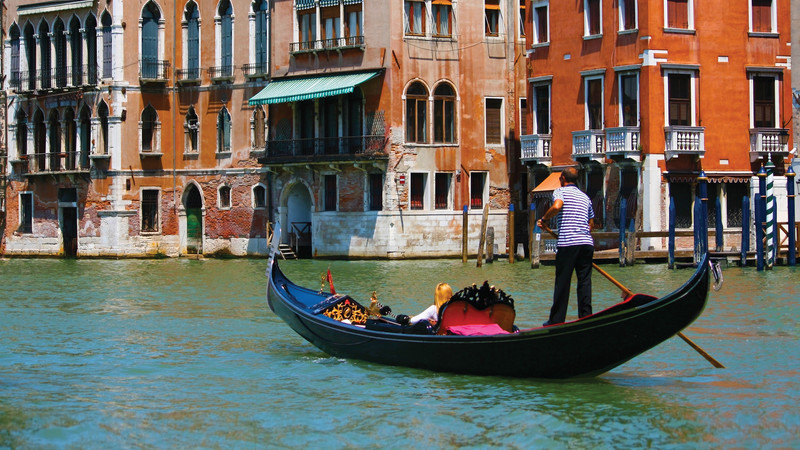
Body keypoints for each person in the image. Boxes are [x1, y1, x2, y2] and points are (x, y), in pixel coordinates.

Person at [536, 167, 595, 326]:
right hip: (586, 243)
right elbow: (591, 224)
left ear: (562, 178)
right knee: (584, 283)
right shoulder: (585, 197)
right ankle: (586, 318)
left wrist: (544, 218)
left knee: (562, 282)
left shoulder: (560, 192)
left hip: (568, 243)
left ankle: (556, 321)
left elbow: (556, 207)